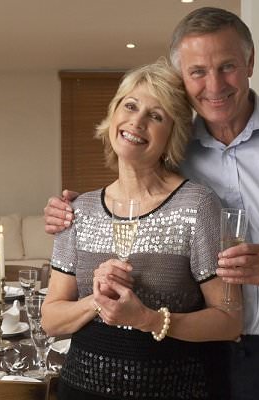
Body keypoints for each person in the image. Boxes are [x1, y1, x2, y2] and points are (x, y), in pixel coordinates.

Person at [44, 7, 259, 400]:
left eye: (228, 66)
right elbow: (130, 183)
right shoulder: (171, 148)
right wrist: (72, 210)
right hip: (192, 359)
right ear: (183, 77)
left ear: (250, 62)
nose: (214, 84)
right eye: (198, 71)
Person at [41, 59, 242, 400]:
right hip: (80, 390)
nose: (137, 121)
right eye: (130, 106)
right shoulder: (78, 211)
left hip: (175, 390)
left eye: (156, 115)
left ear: (172, 136)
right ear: (113, 115)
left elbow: (229, 320)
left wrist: (148, 319)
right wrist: (97, 300)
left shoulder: (197, 205)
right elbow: (50, 319)